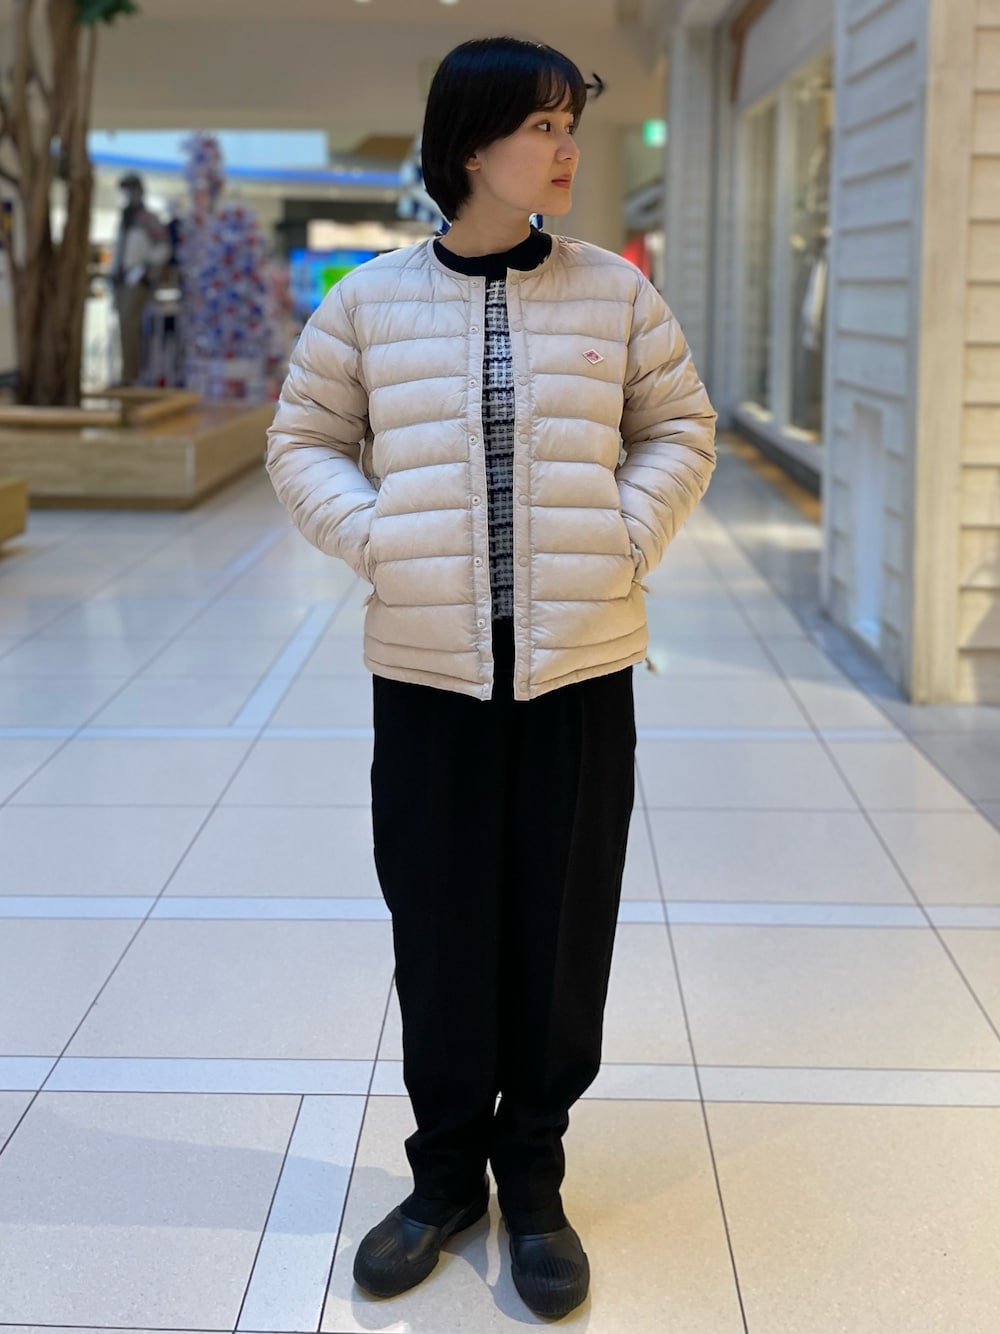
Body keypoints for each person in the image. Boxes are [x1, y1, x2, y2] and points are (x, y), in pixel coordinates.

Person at [266, 35, 717, 1320]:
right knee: (440, 922)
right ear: (471, 146)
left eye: (572, 123)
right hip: (427, 676)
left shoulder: (615, 293)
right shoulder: (369, 301)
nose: (569, 149)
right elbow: (303, 439)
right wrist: (378, 536)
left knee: (560, 932)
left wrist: (623, 533)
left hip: (579, 673)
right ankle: (443, 1177)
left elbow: (680, 427)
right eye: (543, 126)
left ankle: (534, 1176)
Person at [109, 172, 169, 385]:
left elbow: (163, 247)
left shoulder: (148, 219)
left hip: (137, 280)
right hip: (121, 279)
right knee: (122, 327)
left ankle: (131, 376)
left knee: (130, 326)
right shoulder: (125, 219)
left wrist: (144, 269)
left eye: (129, 190)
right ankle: (126, 373)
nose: (126, 195)